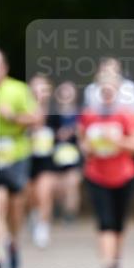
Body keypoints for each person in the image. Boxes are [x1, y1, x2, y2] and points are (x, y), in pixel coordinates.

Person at [78, 71, 134, 268]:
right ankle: (106, 267)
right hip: (96, 175)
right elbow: (83, 143)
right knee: (104, 222)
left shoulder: (127, 115)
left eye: (110, 89)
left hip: (124, 176)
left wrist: (117, 141)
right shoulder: (88, 115)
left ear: (117, 91)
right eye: (103, 89)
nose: (106, 92)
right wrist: (88, 146)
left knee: (118, 224)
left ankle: (115, 261)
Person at [0, 49, 39, 268]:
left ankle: (13, 242)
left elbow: (36, 119)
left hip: (16, 154)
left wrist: (12, 117)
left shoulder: (18, 90)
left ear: (5, 67)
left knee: (14, 208)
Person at [27, 74, 57, 249]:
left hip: (48, 158)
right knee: (31, 195)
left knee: (44, 193)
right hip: (28, 156)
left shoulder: (56, 110)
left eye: (43, 88)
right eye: (36, 88)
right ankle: (33, 215)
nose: (39, 92)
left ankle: (43, 227)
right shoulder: (24, 109)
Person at [51, 81, 83, 222]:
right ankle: (58, 208)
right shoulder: (51, 114)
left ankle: (70, 214)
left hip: (75, 153)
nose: (66, 94)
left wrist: (74, 131)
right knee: (59, 185)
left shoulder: (81, 114)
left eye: (69, 91)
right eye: (63, 91)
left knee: (73, 183)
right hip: (55, 154)